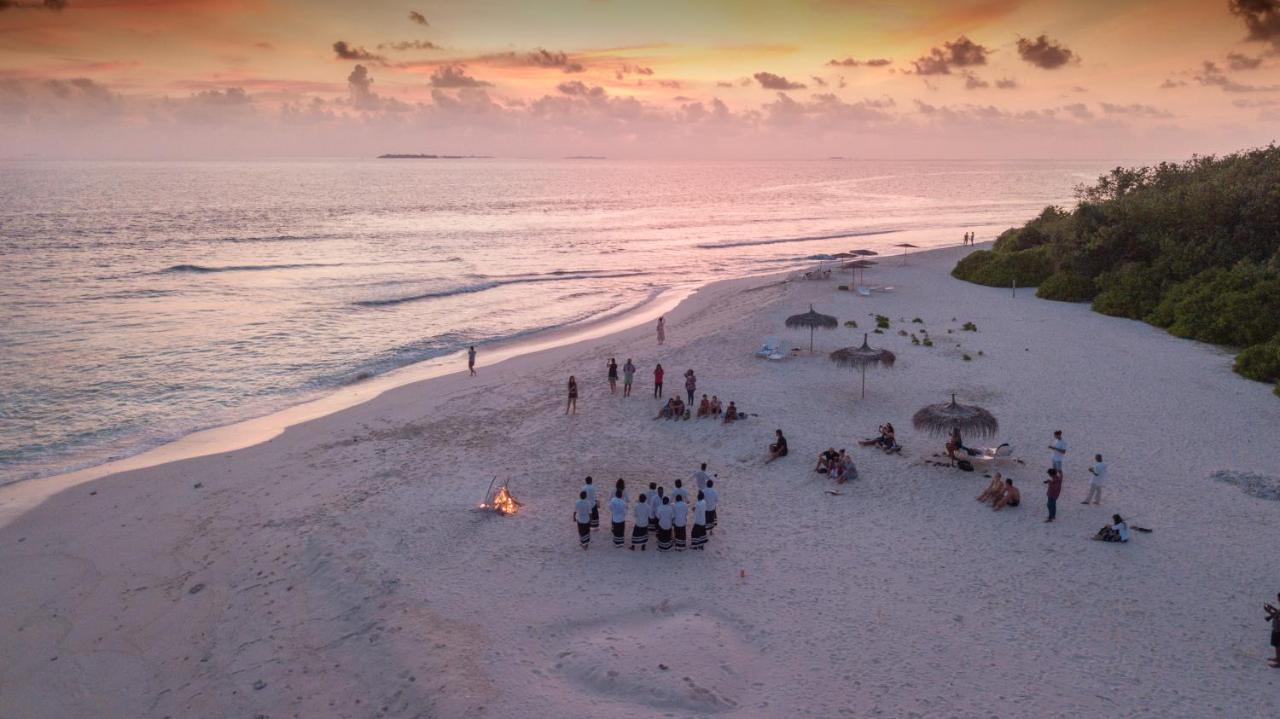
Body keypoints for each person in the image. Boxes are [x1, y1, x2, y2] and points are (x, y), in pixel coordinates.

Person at [1264, 595, 1280, 668]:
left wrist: (1269, 611)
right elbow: (1277, 612)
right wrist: (1272, 608)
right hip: (1277, 628)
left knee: (1278, 645)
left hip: (1279, 629)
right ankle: (1277, 658)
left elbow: (1277, 616)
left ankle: (1279, 662)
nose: (1278, 599)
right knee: (1276, 645)